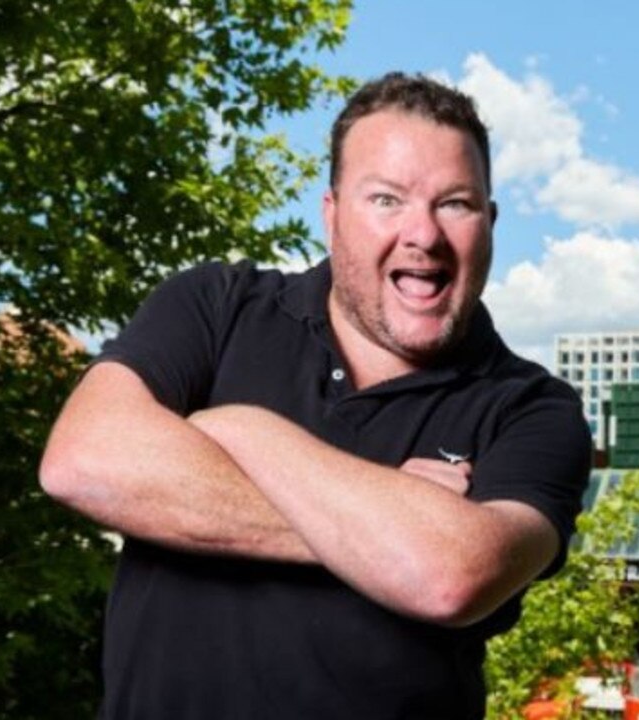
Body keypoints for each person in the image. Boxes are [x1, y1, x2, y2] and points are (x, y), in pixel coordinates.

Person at [40, 72, 593, 718]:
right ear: (331, 213)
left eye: (455, 204)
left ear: (489, 223)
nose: (423, 234)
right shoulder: (218, 307)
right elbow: (83, 460)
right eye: (386, 199)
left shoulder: (532, 408)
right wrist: (387, 524)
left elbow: (451, 576)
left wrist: (241, 429)